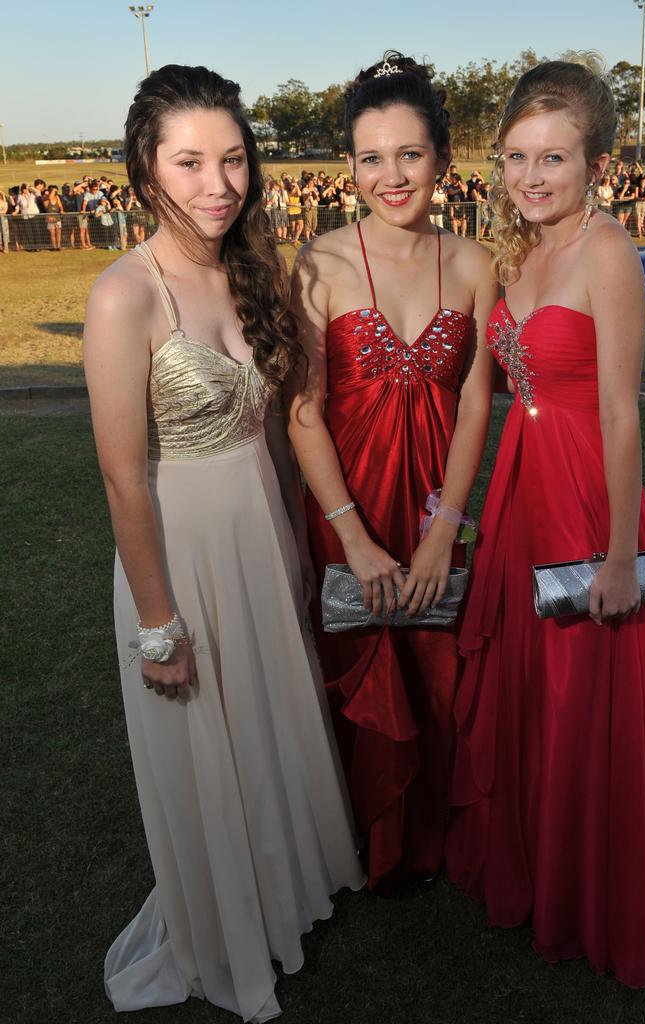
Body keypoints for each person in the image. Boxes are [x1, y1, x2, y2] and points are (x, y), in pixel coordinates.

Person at [83, 64, 364, 1022]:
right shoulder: (125, 295)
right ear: (145, 169)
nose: (219, 184)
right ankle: (224, 934)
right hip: (178, 561)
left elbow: (283, 427)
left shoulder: (255, 272)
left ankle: (280, 897)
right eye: (192, 161)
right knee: (207, 755)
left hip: (257, 538)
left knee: (268, 733)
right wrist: (159, 626)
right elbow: (124, 477)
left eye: (234, 159)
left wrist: (296, 545)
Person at [446, 56, 645, 988]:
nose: (530, 177)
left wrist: (617, 557)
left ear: (595, 161)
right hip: (520, 486)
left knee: (581, 689)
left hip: (584, 494)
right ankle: (532, 845)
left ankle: (591, 878)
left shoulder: (608, 251)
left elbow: (620, 412)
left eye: (552, 159)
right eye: (516, 156)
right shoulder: (521, 247)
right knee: (528, 683)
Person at [288, 51, 496, 890]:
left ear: (442, 159)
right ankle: (361, 839)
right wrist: (351, 539)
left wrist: (447, 527)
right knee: (356, 672)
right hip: (348, 507)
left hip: (432, 509)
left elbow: (478, 405)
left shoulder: (478, 264)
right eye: (371, 157)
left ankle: (433, 836)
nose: (392, 175)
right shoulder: (321, 265)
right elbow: (303, 410)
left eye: (409, 154)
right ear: (349, 167)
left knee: (438, 671)